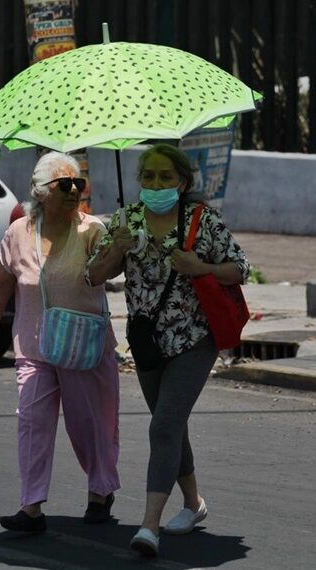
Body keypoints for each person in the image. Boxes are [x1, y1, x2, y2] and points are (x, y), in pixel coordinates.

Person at [86, 144, 250, 556]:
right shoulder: (126, 220)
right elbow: (93, 275)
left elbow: (239, 268)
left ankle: (148, 527)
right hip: (147, 342)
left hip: (195, 338)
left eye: (164, 177)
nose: (155, 184)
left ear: (181, 181)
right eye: (148, 177)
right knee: (170, 425)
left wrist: (203, 268)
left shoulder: (201, 219)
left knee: (162, 427)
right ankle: (194, 504)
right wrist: (117, 249)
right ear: (139, 180)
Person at [0, 151, 120, 533]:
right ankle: (31, 506)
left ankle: (100, 490)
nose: (74, 190)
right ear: (41, 192)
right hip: (35, 347)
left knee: (89, 424)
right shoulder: (19, 233)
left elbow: (107, 274)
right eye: (64, 184)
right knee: (32, 423)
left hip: (83, 346)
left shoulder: (93, 230)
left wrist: (120, 245)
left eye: (78, 183)